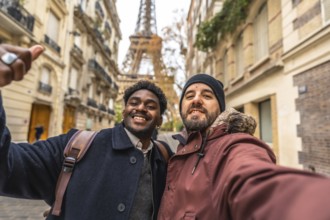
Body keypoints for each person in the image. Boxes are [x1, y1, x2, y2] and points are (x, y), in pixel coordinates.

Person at [0, 44, 173, 220]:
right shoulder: (76, 147)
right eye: (134, 103)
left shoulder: (165, 159)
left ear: (160, 119)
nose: (141, 108)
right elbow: (8, 166)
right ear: (124, 110)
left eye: (150, 106)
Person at [158, 73, 330, 220]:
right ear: (181, 108)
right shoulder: (182, 148)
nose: (196, 100)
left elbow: (255, 181)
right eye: (189, 96)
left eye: (207, 95)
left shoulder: (233, 146)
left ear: (220, 109)